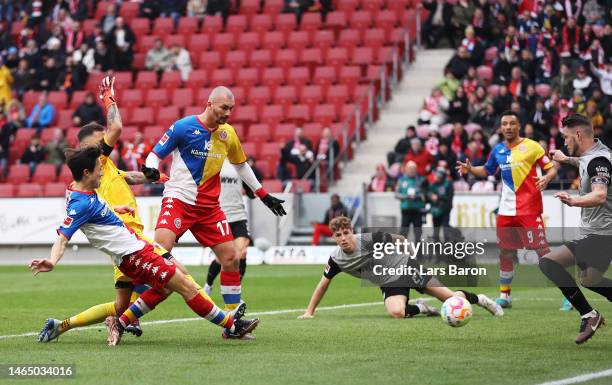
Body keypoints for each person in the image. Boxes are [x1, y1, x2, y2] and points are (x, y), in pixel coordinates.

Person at [30, 147, 259, 343]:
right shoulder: (79, 204)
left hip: (139, 244)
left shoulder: (79, 188)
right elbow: (62, 237)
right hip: (133, 255)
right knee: (185, 286)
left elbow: (95, 209)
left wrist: (115, 210)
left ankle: (119, 323)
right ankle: (232, 327)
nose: (102, 171)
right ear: (86, 172)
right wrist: (52, 260)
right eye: (98, 168)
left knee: (170, 284)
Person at [143, 86, 287, 313]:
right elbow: (154, 154)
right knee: (158, 253)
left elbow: (241, 165)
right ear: (209, 104)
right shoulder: (183, 127)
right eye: (224, 108)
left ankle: (234, 318)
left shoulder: (228, 133)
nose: (228, 113)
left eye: (231, 109)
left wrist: (263, 195)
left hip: (209, 208)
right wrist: (150, 169)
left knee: (230, 258)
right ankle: (132, 313)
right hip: (179, 199)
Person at [297, 217, 503, 319]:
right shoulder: (336, 259)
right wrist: (309, 312)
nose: (343, 238)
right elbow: (323, 285)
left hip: (406, 267)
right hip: (389, 281)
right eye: (338, 235)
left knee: (451, 300)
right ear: (333, 238)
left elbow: (399, 238)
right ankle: (422, 307)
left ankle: (481, 299)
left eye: (346, 233)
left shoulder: (368, 240)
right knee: (397, 313)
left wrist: (409, 256)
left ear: (352, 232)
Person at [456, 111, 557, 308]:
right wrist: (471, 169)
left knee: (542, 251)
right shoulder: (497, 150)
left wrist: (547, 178)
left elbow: (551, 168)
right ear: (500, 128)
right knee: (505, 252)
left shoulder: (532, 147)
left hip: (529, 209)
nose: (508, 127)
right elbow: (486, 170)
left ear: (519, 126)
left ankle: (566, 291)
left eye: (512, 123)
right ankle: (505, 295)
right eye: (504, 124)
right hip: (506, 211)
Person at [544, 113, 612, 344]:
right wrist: (565, 158)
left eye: (566, 138)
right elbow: (585, 162)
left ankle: (589, 315)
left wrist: (574, 201)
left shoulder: (598, 161)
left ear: (579, 135)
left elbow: (600, 194)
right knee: (589, 280)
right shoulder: (593, 154)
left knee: (548, 262)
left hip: (601, 236)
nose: (564, 142)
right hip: (601, 235)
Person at [205, 159, 257, 297]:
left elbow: (250, 190)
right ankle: (208, 285)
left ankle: (235, 291)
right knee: (223, 258)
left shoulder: (239, 164)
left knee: (242, 252)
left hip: (239, 215)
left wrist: (254, 191)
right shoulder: (213, 162)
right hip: (220, 215)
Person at [396, 161, 426, 242]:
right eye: (410, 169)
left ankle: (418, 252)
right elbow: (396, 194)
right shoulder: (401, 180)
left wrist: (419, 196)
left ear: (416, 170)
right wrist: (406, 196)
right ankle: (402, 252)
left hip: (417, 209)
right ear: (406, 169)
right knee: (403, 232)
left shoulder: (421, 180)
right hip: (406, 209)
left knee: (418, 233)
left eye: (413, 169)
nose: (411, 171)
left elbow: (426, 192)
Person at [427, 167, 453, 243]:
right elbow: (428, 193)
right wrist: (430, 196)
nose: (436, 176)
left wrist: (438, 197)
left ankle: (447, 247)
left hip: (445, 210)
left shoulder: (448, 184)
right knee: (436, 230)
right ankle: (437, 246)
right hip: (435, 210)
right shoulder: (433, 184)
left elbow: (449, 197)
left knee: (445, 228)